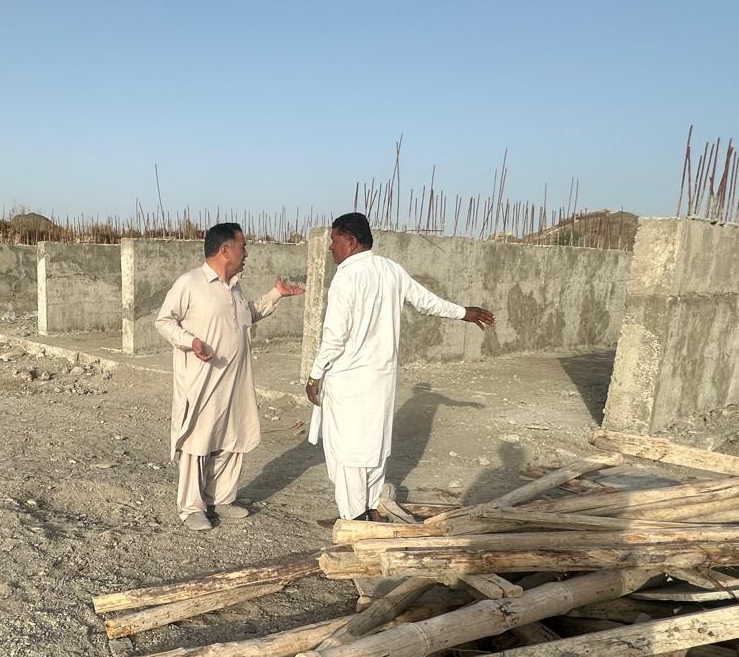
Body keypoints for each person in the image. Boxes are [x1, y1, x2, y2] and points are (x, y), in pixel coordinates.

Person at [306, 212, 495, 521]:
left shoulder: (346, 277)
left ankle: (355, 519)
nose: (330, 247)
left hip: (348, 381)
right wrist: (463, 312)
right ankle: (370, 508)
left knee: (349, 453)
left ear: (351, 242)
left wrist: (315, 375)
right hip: (380, 379)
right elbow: (427, 302)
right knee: (374, 447)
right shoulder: (390, 270)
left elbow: (334, 336)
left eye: (334, 240)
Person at [155, 223, 305, 530]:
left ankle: (221, 498)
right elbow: (164, 321)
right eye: (242, 247)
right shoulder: (190, 283)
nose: (246, 253)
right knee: (199, 440)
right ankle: (191, 507)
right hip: (203, 380)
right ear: (225, 250)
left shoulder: (235, 287)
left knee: (231, 438)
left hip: (236, 380)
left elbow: (246, 315)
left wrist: (275, 295)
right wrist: (190, 342)